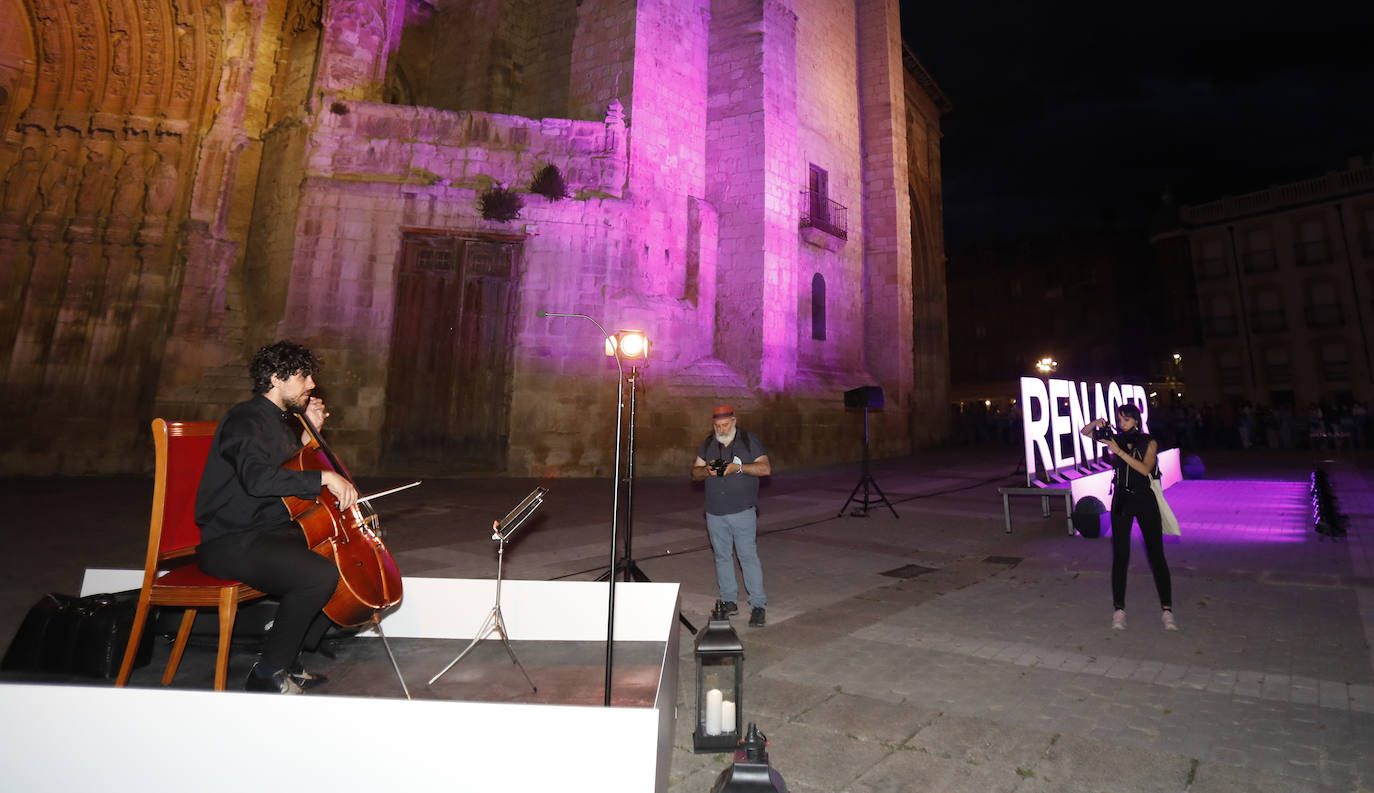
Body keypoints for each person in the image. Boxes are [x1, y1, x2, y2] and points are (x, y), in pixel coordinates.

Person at [195, 341, 358, 693]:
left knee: (344, 567)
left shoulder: (280, 425)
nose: (312, 384)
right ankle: (267, 672)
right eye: (303, 376)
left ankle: (285, 644)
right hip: (231, 540)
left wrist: (308, 439)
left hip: (266, 532)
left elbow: (289, 481)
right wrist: (324, 477)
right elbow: (258, 480)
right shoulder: (245, 419)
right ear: (275, 379)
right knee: (318, 576)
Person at [1081, 404, 1176, 632]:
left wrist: (1118, 451)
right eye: (1119, 419)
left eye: (1126, 419)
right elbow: (1085, 432)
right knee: (1121, 555)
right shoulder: (1117, 439)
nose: (1121, 423)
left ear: (1135, 420)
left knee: (1156, 554)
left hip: (1144, 500)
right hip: (1122, 500)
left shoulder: (1148, 441)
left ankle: (1167, 610)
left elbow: (1144, 469)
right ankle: (1119, 610)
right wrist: (1098, 423)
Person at [691, 405, 771, 627]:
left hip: (742, 510)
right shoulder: (708, 443)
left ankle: (757, 605)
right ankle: (729, 601)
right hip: (714, 512)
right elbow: (694, 473)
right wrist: (706, 469)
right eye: (717, 425)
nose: (722, 429)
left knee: (747, 556)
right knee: (722, 556)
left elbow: (765, 469)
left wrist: (737, 468)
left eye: (725, 425)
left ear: (734, 421)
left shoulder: (748, 440)